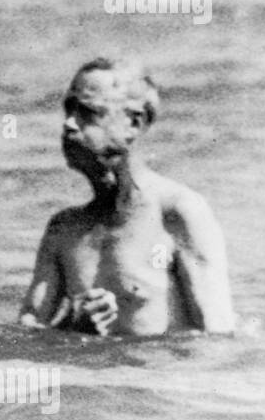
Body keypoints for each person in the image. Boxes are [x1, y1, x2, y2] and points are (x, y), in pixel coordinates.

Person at [19, 59, 234, 336]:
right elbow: (24, 336)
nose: (69, 124)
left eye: (87, 112)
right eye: (68, 110)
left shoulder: (178, 213)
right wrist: (73, 325)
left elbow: (217, 338)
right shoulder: (64, 230)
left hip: (152, 377)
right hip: (86, 379)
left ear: (133, 123)